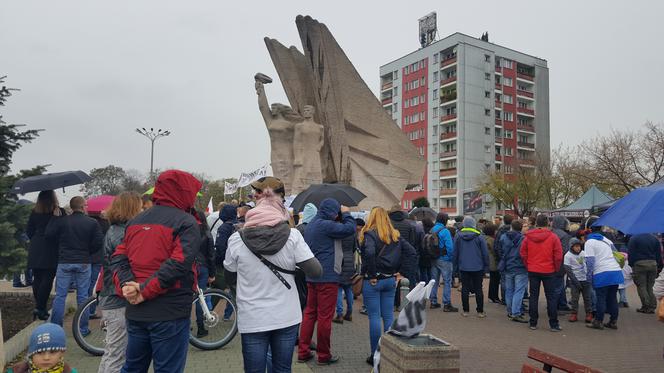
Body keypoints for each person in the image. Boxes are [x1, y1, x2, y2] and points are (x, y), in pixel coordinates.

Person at [223, 177, 322, 373]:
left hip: (252, 317)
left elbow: (229, 278)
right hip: (286, 316)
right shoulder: (293, 236)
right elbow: (316, 271)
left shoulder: (236, 239)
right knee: (283, 369)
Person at [111, 170, 202, 372]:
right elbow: (178, 264)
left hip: (136, 310)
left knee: (133, 368)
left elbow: (119, 258)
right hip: (169, 309)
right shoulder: (186, 222)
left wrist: (128, 287)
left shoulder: (135, 221)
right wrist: (143, 291)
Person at [298, 198, 356, 366]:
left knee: (310, 314)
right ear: (332, 211)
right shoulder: (326, 225)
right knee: (325, 317)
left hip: (312, 276)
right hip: (327, 278)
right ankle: (323, 355)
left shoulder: (312, 225)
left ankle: (303, 351)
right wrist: (346, 213)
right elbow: (350, 229)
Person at [359, 207, 417, 365]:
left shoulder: (370, 233)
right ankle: (389, 353)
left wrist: (371, 274)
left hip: (374, 281)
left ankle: (375, 355)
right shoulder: (395, 234)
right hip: (390, 280)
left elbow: (370, 253)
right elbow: (411, 252)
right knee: (389, 317)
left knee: (374, 317)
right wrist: (401, 272)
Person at [97, 192, 142, 373]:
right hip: (117, 300)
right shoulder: (122, 234)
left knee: (111, 352)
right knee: (117, 354)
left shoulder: (115, 230)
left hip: (112, 298)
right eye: (139, 207)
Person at [45, 196, 103, 331]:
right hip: (83, 261)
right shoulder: (92, 223)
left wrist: (54, 218)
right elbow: (98, 243)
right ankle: (82, 329)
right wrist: (87, 252)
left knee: (60, 296)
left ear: (72, 207)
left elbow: (49, 235)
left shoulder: (62, 221)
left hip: (65, 261)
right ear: (82, 207)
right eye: (86, 205)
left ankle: (56, 328)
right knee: (83, 296)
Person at [520, 214, 563, 332]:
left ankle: (533, 322)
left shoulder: (528, 237)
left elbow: (523, 253)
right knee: (551, 297)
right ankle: (553, 324)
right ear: (548, 223)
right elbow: (558, 256)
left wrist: (528, 265)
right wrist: (556, 268)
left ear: (536, 223)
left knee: (533, 296)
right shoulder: (553, 237)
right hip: (549, 270)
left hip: (533, 269)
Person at [26, 191, 64, 321]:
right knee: (48, 278)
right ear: (53, 197)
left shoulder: (34, 212)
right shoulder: (59, 211)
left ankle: (39, 307)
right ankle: (40, 308)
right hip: (51, 247)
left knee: (37, 278)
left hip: (36, 246)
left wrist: (36, 239)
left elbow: (29, 231)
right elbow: (63, 229)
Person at [583, 216, 624, 330]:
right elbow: (617, 255)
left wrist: (589, 278)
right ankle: (613, 321)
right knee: (612, 298)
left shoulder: (589, 242)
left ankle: (598, 321)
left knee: (600, 299)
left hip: (602, 273)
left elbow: (590, 262)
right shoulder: (607, 240)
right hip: (615, 272)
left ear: (589, 229)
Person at [453, 217, 489, 317]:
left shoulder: (458, 236)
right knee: (478, 289)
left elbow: (455, 253)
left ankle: (466, 311)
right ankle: (480, 311)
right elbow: (485, 253)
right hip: (478, 267)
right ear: (474, 224)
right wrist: (486, 267)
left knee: (465, 288)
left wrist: (455, 267)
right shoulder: (480, 236)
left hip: (463, 266)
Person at [7, 323, 78, 373]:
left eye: (53, 352)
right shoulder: (16, 371)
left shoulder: (69, 372)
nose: (46, 358)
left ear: (62, 353)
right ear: (31, 354)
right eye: (39, 352)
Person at [213, 204, 239, 320]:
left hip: (224, 264)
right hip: (238, 262)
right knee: (234, 290)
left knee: (217, 288)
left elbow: (220, 246)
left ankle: (208, 312)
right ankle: (228, 314)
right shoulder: (239, 225)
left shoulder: (224, 228)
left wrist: (219, 260)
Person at [500, 219, 528, 323]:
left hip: (508, 266)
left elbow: (499, 250)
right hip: (520, 267)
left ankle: (510, 311)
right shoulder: (523, 239)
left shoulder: (503, 237)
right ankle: (516, 312)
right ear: (521, 228)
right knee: (519, 290)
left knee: (509, 290)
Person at [429, 213, 458, 312]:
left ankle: (433, 302)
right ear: (445, 220)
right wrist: (450, 258)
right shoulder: (445, 231)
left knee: (434, 281)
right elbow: (450, 247)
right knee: (447, 281)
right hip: (445, 259)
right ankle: (447, 304)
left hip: (433, 258)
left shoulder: (432, 230)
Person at [194, 209, 216, 338]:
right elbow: (211, 255)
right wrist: (212, 273)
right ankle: (200, 328)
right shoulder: (207, 233)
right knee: (200, 298)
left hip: (189, 267)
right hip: (202, 267)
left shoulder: (187, 232)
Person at [628, 233, 662, 313]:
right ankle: (652, 306)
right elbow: (658, 253)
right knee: (650, 286)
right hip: (653, 264)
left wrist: (631, 264)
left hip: (639, 264)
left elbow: (631, 253)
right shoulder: (655, 239)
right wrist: (657, 263)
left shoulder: (634, 238)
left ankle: (646, 306)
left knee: (642, 286)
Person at [564, 238, 593, 323]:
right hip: (574, 281)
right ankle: (574, 313)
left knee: (587, 298)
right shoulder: (568, 256)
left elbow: (589, 264)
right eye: (576, 246)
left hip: (585, 280)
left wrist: (589, 277)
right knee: (574, 298)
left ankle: (589, 313)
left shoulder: (584, 254)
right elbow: (568, 270)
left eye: (579, 246)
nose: (578, 248)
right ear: (571, 247)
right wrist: (575, 281)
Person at [333, 222, 357, 324]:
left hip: (339, 260)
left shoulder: (337, 231)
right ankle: (350, 313)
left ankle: (339, 314)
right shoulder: (352, 232)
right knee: (348, 288)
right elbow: (354, 247)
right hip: (350, 260)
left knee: (338, 288)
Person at [551, 216, 572, 312]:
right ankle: (557, 306)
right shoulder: (564, 235)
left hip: (550, 263)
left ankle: (562, 304)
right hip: (560, 263)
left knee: (557, 285)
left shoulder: (551, 233)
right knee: (559, 285)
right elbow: (564, 251)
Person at [484, 223, 501, 303]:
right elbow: (495, 251)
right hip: (493, 262)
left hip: (487, 262)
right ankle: (494, 297)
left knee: (493, 280)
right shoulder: (492, 240)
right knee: (495, 281)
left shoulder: (483, 238)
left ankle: (492, 296)